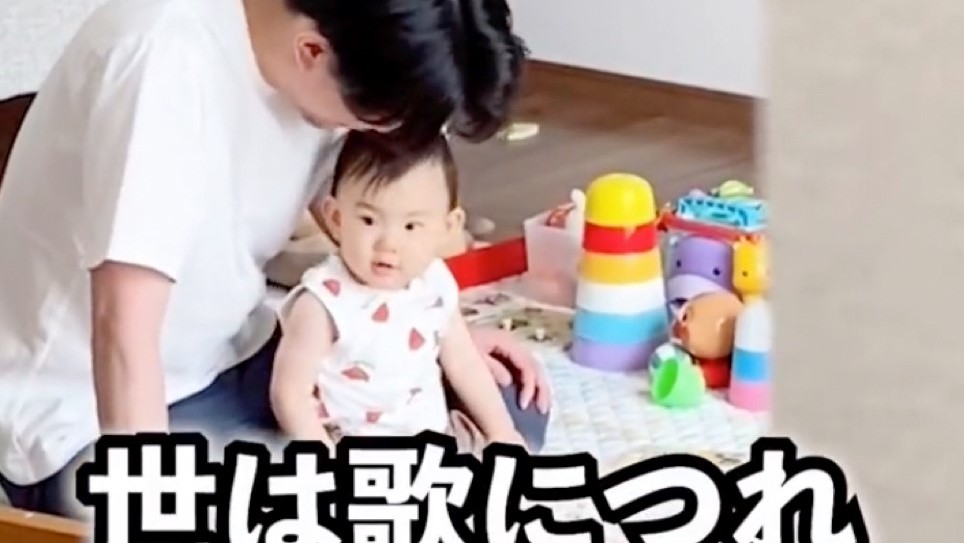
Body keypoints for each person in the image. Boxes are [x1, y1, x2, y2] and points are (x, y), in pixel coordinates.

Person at [0, 0, 551, 518]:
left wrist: (426, 332)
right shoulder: (162, 62)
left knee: (506, 404)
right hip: (84, 411)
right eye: (371, 119)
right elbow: (122, 331)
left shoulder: (333, 52)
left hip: (233, 355)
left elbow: (361, 219)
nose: (370, 135)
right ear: (312, 51)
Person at [272, 131, 524, 454]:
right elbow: (290, 395)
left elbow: (463, 362)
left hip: (435, 436)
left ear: (447, 227)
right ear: (335, 218)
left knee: (516, 442)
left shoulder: (434, 281)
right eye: (368, 220)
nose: (388, 244)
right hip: (352, 448)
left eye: (411, 227)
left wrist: (502, 432)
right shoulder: (323, 302)